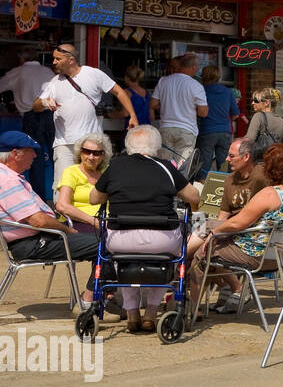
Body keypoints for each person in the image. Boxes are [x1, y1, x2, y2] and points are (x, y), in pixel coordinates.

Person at [88, 125, 200, 332]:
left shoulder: (116, 167)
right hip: (161, 239)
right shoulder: (166, 167)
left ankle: (132, 313)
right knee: (168, 258)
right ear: (156, 147)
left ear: (128, 146)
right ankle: (151, 313)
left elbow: (94, 199)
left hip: (120, 239)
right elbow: (194, 197)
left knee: (124, 259)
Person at [200, 143, 283, 315]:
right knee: (210, 243)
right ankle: (228, 289)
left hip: (255, 255)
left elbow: (237, 223)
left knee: (203, 251)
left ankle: (191, 310)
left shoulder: (271, 194)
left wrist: (214, 233)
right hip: (281, 257)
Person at [0, 130, 99, 308]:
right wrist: (67, 230)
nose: (35, 155)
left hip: (37, 238)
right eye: (31, 150)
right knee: (106, 246)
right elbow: (38, 221)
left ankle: (96, 297)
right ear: (15, 154)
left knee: (103, 241)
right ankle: (90, 300)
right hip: (32, 243)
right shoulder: (7, 180)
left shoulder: (7, 176)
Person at [34, 43, 136, 185]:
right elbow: (35, 106)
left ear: (71, 60)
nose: (54, 62)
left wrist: (133, 115)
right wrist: (45, 102)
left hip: (91, 143)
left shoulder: (93, 74)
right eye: (54, 58)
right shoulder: (54, 82)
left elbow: (119, 91)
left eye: (58, 59)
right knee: (63, 185)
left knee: (93, 185)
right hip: (65, 144)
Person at [0, 47, 55, 198]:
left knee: (33, 157)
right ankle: (58, 196)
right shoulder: (48, 72)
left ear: (21, 59)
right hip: (51, 115)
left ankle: (39, 198)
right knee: (54, 156)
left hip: (32, 117)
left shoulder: (18, 72)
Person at [150, 52, 208, 164]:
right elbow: (203, 112)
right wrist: (189, 107)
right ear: (194, 67)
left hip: (166, 128)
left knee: (164, 166)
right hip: (187, 130)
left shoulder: (163, 81)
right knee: (183, 168)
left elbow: (153, 104)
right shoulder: (196, 85)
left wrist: (167, 106)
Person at [55, 132, 113, 232]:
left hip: (108, 222)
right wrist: (93, 221)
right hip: (80, 223)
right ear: (80, 152)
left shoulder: (108, 172)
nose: (91, 157)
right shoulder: (71, 172)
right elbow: (62, 206)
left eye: (96, 153)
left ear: (104, 155)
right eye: (87, 151)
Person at [195, 66, 238, 179]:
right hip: (225, 131)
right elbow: (235, 114)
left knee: (204, 163)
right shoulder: (228, 92)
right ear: (218, 76)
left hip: (207, 130)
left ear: (203, 77)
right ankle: (223, 189)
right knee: (225, 164)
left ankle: (202, 190)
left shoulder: (201, 91)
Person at [247, 87, 283, 160]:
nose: (253, 103)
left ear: (266, 103)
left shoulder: (258, 116)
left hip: (259, 163)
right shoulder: (282, 121)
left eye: (256, 100)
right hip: (274, 162)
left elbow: (249, 140)